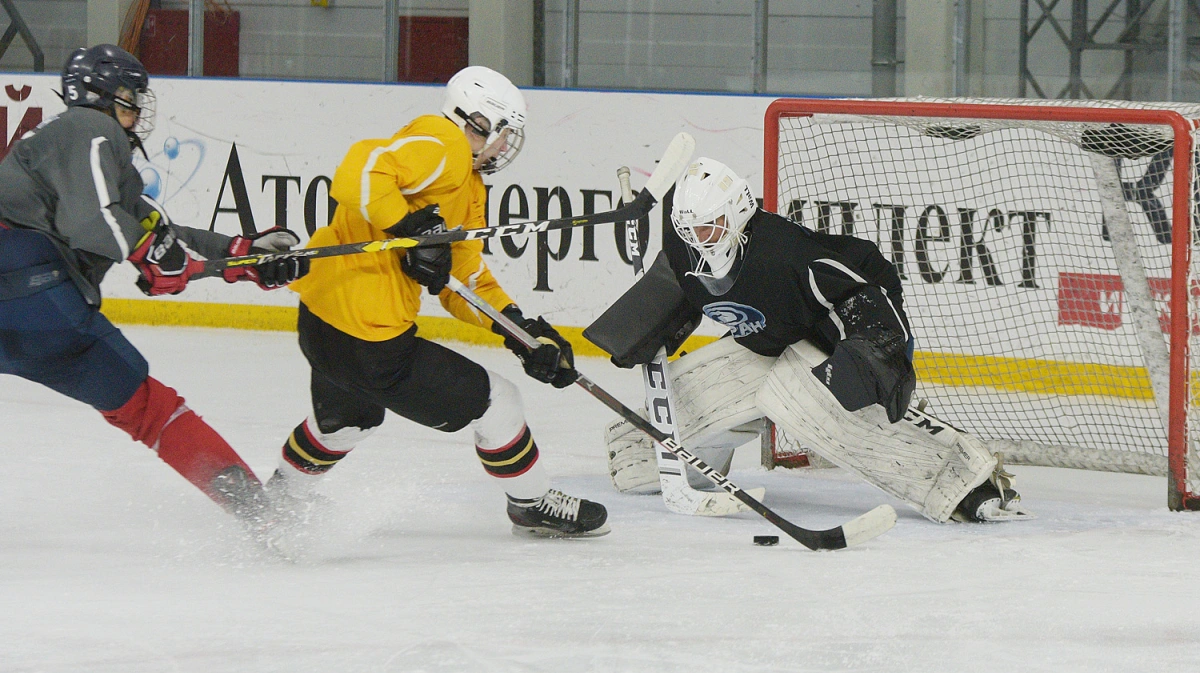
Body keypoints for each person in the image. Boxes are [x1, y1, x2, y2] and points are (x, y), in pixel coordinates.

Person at [265, 65, 608, 538]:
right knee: (500, 403)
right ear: (478, 123)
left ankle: (277, 502)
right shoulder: (442, 143)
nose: (507, 147)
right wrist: (407, 228)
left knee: (345, 421)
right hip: (372, 340)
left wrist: (520, 330)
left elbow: (461, 278)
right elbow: (356, 174)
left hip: (322, 325)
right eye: (504, 133)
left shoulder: (467, 186)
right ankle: (532, 505)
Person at [600, 157, 1026, 523]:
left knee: (806, 408)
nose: (697, 238)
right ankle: (694, 469)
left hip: (830, 332)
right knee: (641, 452)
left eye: (708, 227)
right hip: (768, 339)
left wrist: (875, 354)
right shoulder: (685, 243)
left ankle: (967, 483)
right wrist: (649, 321)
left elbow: (861, 293)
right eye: (689, 228)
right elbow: (684, 282)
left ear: (737, 213)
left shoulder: (785, 256)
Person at [0, 45, 309, 541]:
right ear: (95, 95)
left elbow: (155, 232)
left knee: (150, 407)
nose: (136, 109)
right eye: (127, 95)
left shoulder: (86, 163)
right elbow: (94, 225)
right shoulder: (89, 127)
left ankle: (264, 518)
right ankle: (265, 520)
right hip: (35, 292)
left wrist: (243, 255)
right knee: (153, 413)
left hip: (39, 303)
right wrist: (150, 253)